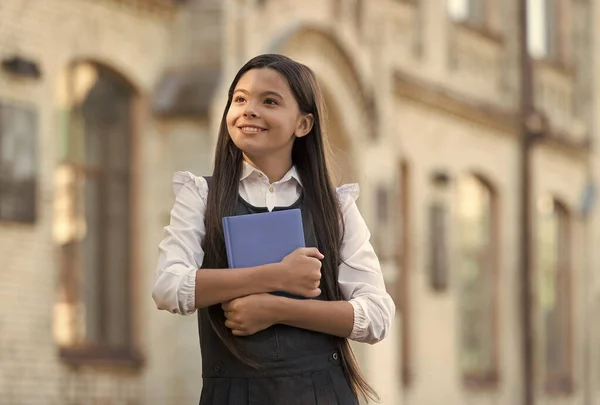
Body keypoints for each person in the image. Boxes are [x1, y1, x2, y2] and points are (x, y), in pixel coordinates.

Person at [153, 53, 395, 405]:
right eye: (240, 99)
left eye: (269, 101)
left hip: (322, 395)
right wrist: (277, 276)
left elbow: (376, 316)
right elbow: (168, 286)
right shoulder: (201, 196)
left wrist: (278, 309)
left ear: (303, 124)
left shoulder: (336, 207)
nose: (249, 110)